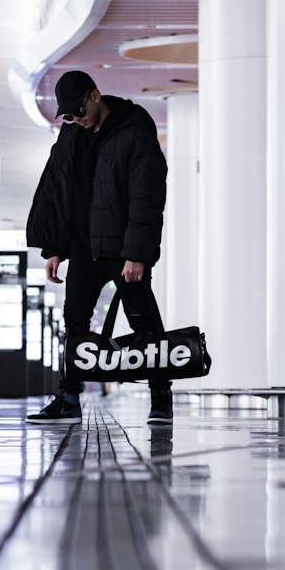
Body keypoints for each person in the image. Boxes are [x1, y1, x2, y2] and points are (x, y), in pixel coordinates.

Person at [25, 69, 171, 424]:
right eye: (70, 115)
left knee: (144, 325)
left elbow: (146, 195)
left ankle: (160, 398)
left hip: (123, 251)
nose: (77, 119)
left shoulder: (134, 129)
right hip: (82, 249)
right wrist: (54, 247)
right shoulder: (72, 133)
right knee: (74, 322)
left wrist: (137, 253)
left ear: (95, 95)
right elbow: (57, 190)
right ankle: (68, 397)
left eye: (80, 111)